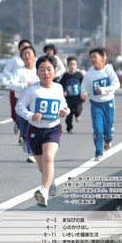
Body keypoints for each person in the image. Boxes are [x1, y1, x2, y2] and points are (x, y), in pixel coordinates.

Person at [16, 55, 70, 207]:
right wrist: (30, 115)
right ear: (37, 72)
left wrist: (65, 111)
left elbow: (64, 105)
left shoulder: (58, 88)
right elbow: (19, 107)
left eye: (49, 69)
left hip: (53, 129)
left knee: (48, 158)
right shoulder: (32, 90)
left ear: (54, 72)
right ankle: (49, 182)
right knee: (42, 166)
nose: (46, 73)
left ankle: (44, 191)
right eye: (42, 69)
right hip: (35, 131)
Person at [81, 48, 120, 161]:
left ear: (102, 58)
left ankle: (108, 139)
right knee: (98, 129)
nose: (93, 60)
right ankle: (98, 152)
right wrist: (83, 93)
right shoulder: (89, 74)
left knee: (108, 128)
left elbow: (116, 84)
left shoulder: (108, 70)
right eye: (91, 58)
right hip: (95, 104)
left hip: (108, 103)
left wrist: (103, 90)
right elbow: (84, 86)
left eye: (95, 57)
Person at [9, 45, 39, 163]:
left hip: (35, 102)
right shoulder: (19, 71)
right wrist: (25, 85)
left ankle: (31, 152)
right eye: (24, 54)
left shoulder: (38, 70)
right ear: (21, 57)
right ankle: (26, 141)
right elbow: (11, 85)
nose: (27, 56)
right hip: (21, 102)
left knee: (34, 127)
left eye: (29, 53)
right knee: (23, 128)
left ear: (34, 56)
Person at [3, 39, 32, 135]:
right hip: (17, 89)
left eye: (27, 47)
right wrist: (14, 79)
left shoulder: (34, 60)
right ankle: (18, 124)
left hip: (31, 91)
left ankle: (26, 134)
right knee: (16, 110)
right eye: (23, 47)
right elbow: (5, 71)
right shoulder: (15, 60)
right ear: (19, 49)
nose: (25, 50)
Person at [60, 56, 84, 134]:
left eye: (74, 64)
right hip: (69, 99)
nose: (72, 66)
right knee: (69, 114)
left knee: (77, 110)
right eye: (71, 64)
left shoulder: (79, 75)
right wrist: (64, 91)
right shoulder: (65, 76)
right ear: (68, 66)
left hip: (77, 98)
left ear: (76, 65)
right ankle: (69, 128)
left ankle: (77, 115)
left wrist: (84, 93)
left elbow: (84, 85)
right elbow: (61, 85)